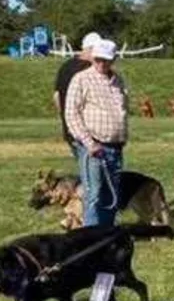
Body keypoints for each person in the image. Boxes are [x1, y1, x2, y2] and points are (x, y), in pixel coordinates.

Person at [63, 38, 129, 227]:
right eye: (98, 59)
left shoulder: (118, 81)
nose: (101, 64)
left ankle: (106, 236)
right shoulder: (81, 79)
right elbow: (71, 113)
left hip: (115, 147)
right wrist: (88, 143)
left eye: (106, 60)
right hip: (93, 147)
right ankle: (90, 238)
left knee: (111, 194)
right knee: (94, 195)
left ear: (113, 59)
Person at [53, 32, 100, 152]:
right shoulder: (90, 69)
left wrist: (65, 118)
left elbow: (57, 97)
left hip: (70, 128)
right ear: (91, 49)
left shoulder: (65, 66)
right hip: (88, 131)